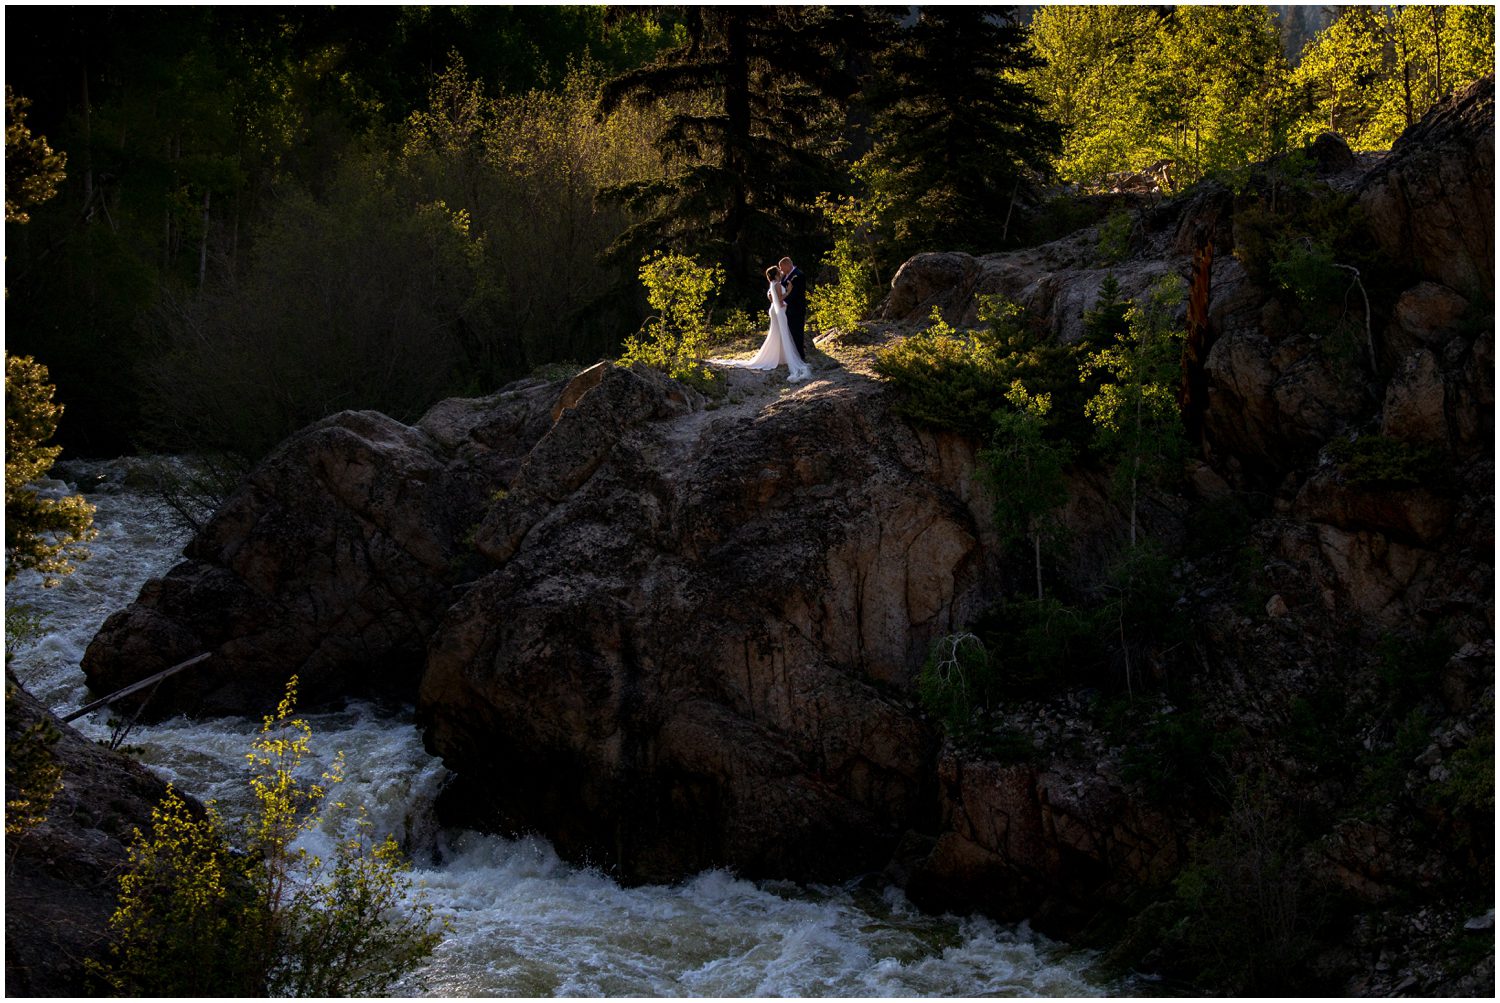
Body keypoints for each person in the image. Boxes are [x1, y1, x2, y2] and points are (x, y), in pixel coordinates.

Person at [720, 265, 811, 382]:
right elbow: (780, 300)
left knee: (777, 333)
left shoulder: (773, 284)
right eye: (779, 271)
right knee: (781, 332)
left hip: (775, 310)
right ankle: (782, 357)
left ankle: (779, 356)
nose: (781, 271)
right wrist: (788, 291)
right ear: (776, 273)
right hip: (779, 311)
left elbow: (772, 298)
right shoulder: (777, 284)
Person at [778, 256, 809, 361]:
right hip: (787, 310)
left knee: (797, 333)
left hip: (796, 309)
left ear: (788, 265)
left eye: (781, 267)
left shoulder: (799, 275)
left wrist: (784, 302)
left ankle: (801, 357)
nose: (781, 270)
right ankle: (792, 356)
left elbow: (797, 293)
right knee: (790, 333)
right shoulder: (784, 276)